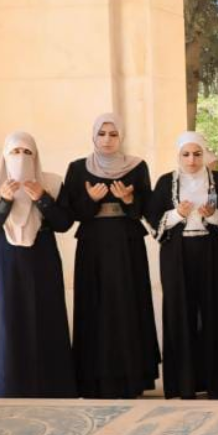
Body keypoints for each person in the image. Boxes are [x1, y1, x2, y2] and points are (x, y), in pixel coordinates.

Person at [0, 131, 76, 398]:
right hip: (1, 264)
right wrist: (4, 202)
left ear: (36, 155)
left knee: (43, 320)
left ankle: (50, 389)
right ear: (4, 156)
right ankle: (6, 387)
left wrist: (42, 198)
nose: (21, 157)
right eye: (15, 152)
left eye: (27, 152)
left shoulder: (52, 183)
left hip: (40, 262)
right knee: (5, 323)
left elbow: (64, 223)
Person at [64, 113, 159, 399]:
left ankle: (131, 378)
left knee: (127, 304)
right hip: (92, 245)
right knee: (94, 305)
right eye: (102, 134)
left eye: (113, 134)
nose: (107, 140)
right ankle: (93, 380)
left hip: (126, 244)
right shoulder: (78, 168)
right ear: (93, 136)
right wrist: (90, 200)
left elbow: (145, 209)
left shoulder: (136, 166)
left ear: (121, 137)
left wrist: (129, 199)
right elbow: (72, 213)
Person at [146, 132, 218, 400]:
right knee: (180, 314)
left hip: (212, 254)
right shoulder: (166, 182)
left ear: (204, 154)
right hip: (177, 255)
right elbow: (152, 220)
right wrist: (177, 214)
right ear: (178, 155)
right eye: (185, 154)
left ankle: (215, 384)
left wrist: (215, 215)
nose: (191, 160)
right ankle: (183, 384)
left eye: (197, 154)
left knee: (214, 312)